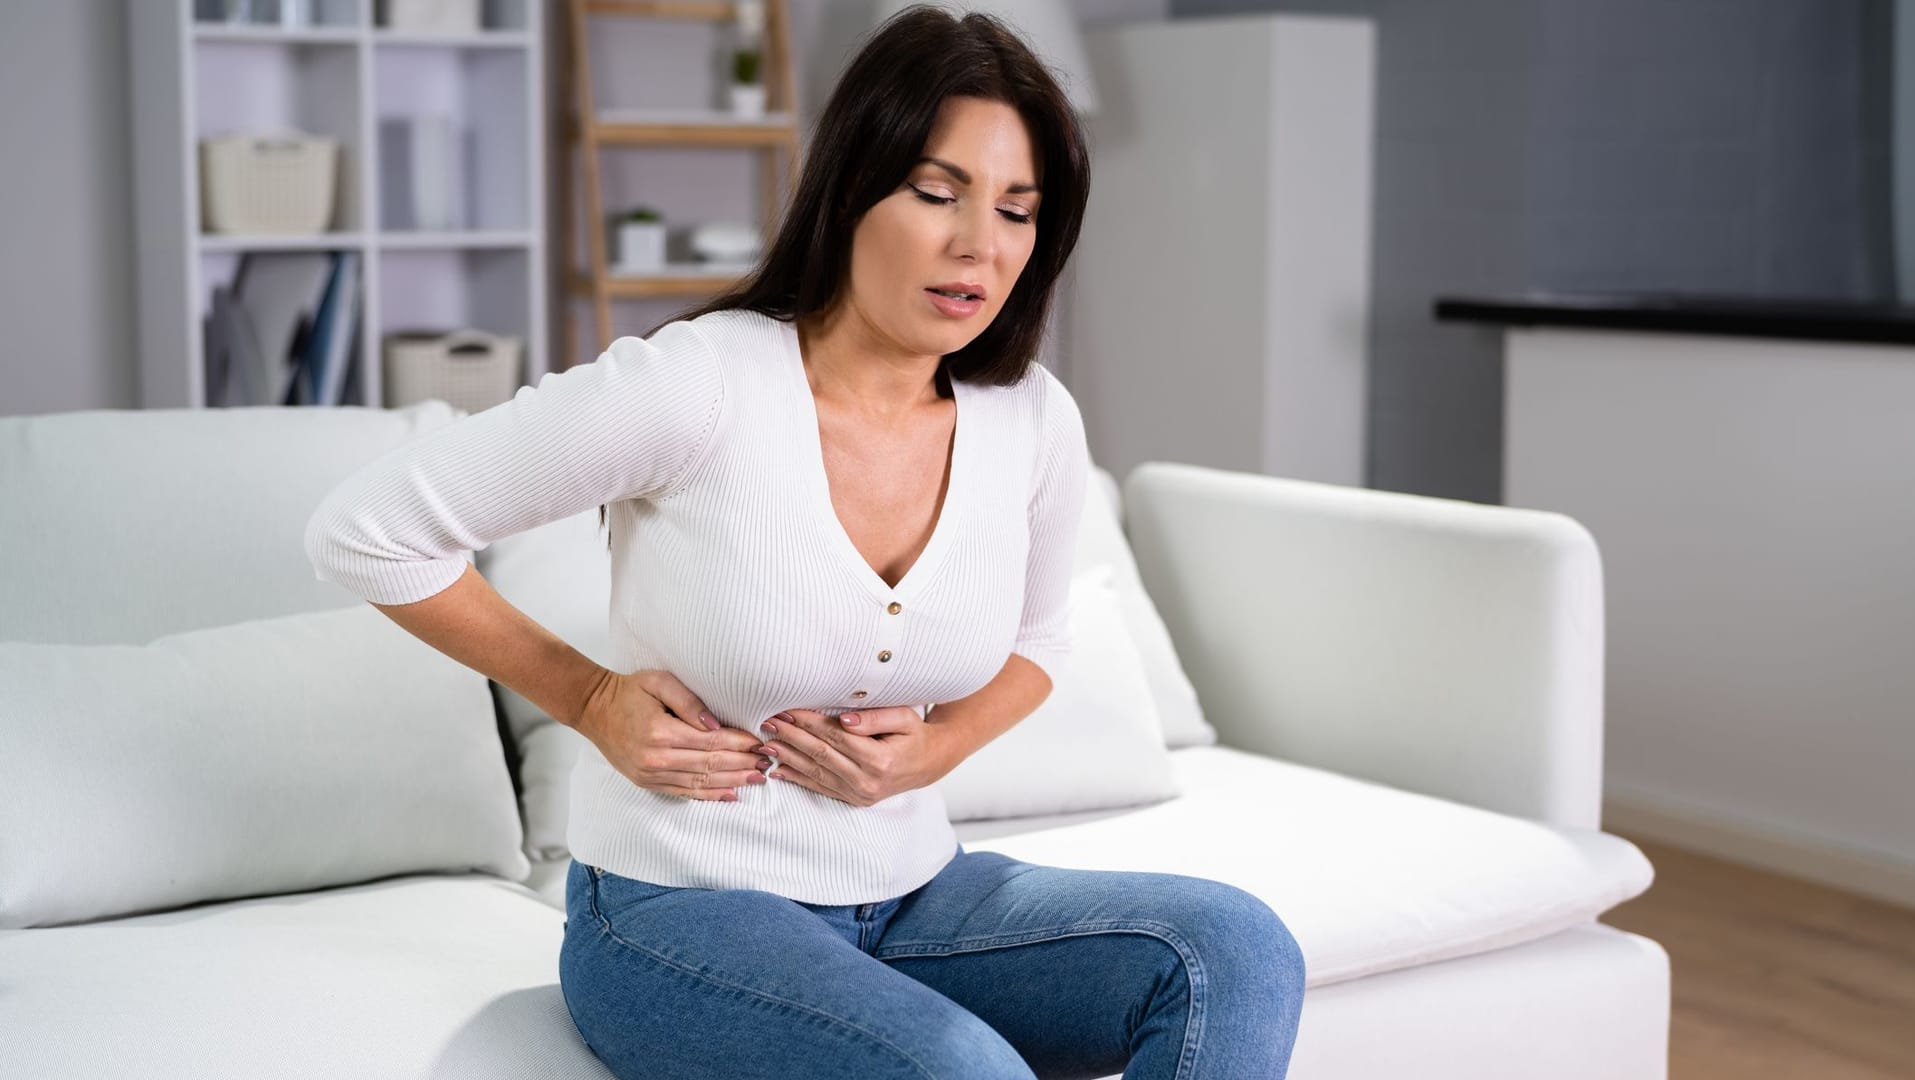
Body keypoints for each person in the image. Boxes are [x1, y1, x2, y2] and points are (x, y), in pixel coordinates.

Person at [305, 5, 1306, 1077]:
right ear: (850, 188)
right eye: (937, 193)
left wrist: (936, 748)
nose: (981, 242)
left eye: (1019, 210)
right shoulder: (700, 384)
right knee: (959, 1070)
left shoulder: (1033, 419)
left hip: (919, 895)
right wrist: (590, 699)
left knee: (1234, 952)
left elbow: (1040, 640)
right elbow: (366, 531)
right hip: (678, 911)